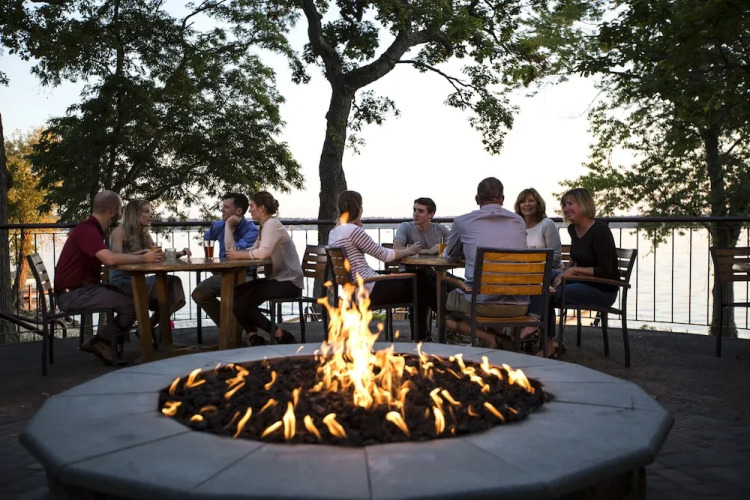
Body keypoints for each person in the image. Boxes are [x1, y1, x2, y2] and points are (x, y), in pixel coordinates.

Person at [54, 190, 163, 365]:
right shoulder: (88, 231)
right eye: (121, 209)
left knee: (132, 300)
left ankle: (103, 342)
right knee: (132, 306)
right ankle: (100, 342)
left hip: (82, 289)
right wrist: (144, 258)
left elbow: (110, 257)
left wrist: (139, 254)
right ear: (113, 211)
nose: (122, 213)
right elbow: (110, 259)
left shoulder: (92, 229)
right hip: (74, 294)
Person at [328, 190, 432, 341]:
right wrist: (409, 251)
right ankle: (437, 327)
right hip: (369, 289)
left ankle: (422, 337)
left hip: (355, 290)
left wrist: (357, 222)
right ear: (359, 208)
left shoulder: (334, 232)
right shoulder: (353, 231)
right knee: (422, 278)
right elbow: (384, 255)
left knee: (421, 282)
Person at [443, 177, 529, 348]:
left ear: (477, 199)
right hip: (520, 304)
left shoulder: (462, 221)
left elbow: (450, 256)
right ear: (502, 199)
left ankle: (491, 338)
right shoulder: (519, 221)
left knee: (444, 301)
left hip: (482, 304)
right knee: (491, 292)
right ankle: (496, 344)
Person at [228, 192, 303, 345]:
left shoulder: (272, 225)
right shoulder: (265, 226)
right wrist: (238, 253)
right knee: (234, 294)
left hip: (289, 282)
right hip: (277, 279)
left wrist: (238, 255)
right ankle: (254, 336)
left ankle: (278, 333)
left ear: (261, 208)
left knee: (242, 303)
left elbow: (262, 253)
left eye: (252, 206)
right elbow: (255, 249)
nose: (249, 210)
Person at [109, 200, 188, 333]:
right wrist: (142, 253)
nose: (150, 215)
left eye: (151, 211)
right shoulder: (120, 231)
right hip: (122, 283)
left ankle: (148, 328)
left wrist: (180, 253)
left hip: (139, 279)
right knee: (167, 290)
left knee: (174, 287)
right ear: (134, 214)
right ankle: (147, 333)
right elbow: (115, 256)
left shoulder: (144, 234)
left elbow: (158, 254)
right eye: (146, 211)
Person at [191, 193, 259, 327]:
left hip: (245, 275)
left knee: (232, 294)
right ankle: (229, 327)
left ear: (238, 211)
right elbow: (207, 239)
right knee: (199, 293)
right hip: (223, 274)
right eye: (222, 206)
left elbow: (232, 253)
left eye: (226, 207)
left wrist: (228, 227)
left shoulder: (251, 230)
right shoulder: (218, 225)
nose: (222, 210)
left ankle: (234, 328)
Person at [394, 197, 450, 341]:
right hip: (408, 277)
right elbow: (397, 248)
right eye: (414, 210)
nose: (415, 214)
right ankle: (448, 323)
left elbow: (454, 248)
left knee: (450, 284)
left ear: (431, 214)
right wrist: (428, 251)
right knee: (423, 284)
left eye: (420, 211)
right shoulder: (406, 227)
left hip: (433, 275)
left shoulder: (441, 230)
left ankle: (421, 338)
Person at [514, 188, 562, 268]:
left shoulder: (547, 224)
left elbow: (556, 257)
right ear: (519, 206)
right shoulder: (515, 227)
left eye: (531, 201)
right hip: (523, 270)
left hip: (548, 271)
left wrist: (534, 266)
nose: (527, 204)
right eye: (522, 202)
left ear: (538, 204)